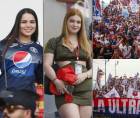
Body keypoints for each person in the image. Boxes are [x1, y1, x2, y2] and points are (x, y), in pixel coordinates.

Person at [44, 8, 92, 118]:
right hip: (65, 90)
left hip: (86, 91)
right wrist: (56, 81)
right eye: (72, 21)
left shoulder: (88, 43)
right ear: (66, 22)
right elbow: (46, 65)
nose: (75, 24)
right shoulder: (54, 42)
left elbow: (93, 68)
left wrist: (85, 75)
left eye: (78, 22)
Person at [0, 8, 43, 92]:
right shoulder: (3, 45)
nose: (28, 25)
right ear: (17, 24)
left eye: (32, 22)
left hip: (29, 100)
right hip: (4, 98)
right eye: (24, 22)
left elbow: (41, 80)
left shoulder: (39, 50)